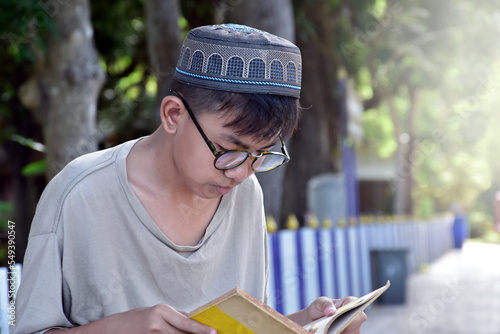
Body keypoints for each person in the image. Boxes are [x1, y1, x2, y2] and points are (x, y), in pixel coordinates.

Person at [14, 24, 367, 334]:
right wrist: (116, 328)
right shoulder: (78, 194)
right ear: (173, 115)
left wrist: (303, 324)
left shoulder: (246, 193)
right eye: (230, 149)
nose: (242, 173)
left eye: (261, 155)